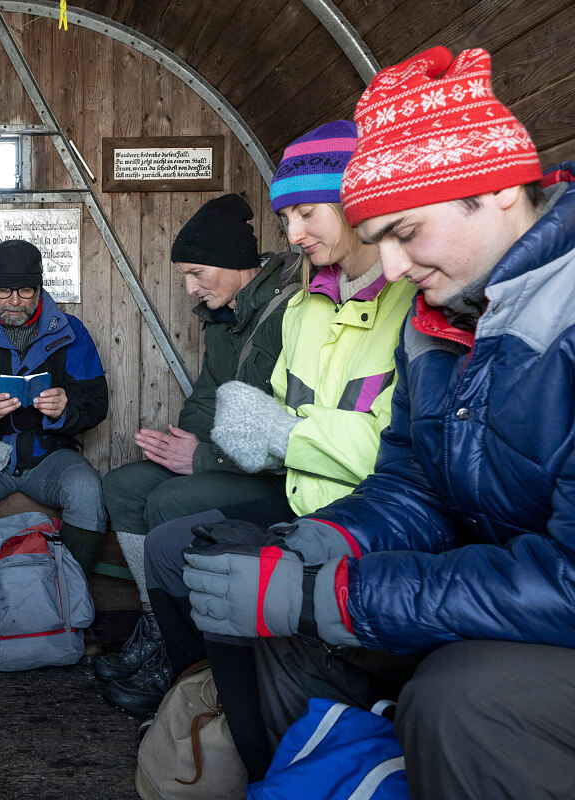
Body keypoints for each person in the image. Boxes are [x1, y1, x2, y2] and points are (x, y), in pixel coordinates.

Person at [181, 46, 575, 798]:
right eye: (379, 237)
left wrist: (336, 594)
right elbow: (413, 484)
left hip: (544, 607)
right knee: (282, 610)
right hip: (490, 584)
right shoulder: (439, 323)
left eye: (406, 231)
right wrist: (329, 541)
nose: (391, 269)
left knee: (461, 695)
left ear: (492, 190)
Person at [135, 120, 415, 766]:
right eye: (286, 216)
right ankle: (222, 714)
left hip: (372, 521)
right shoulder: (302, 311)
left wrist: (282, 434)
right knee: (186, 554)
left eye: (306, 213)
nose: (290, 236)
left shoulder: (409, 305)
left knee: (233, 580)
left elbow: (399, 450)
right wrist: (251, 431)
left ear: (358, 201)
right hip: (299, 508)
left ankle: (265, 753)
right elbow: (268, 423)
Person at [95, 193, 297, 702]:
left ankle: (184, 650)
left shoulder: (285, 317)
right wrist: (179, 446)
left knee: (166, 502)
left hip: (276, 479)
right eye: (186, 274)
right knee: (122, 486)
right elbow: (206, 402)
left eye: (198, 272)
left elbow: (286, 432)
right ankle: (156, 620)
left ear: (236, 264)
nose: (189, 286)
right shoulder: (223, 321)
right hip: (226, 462)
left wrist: (201, 460)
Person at [0, 239, 108, 664]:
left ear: (40, 288)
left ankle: (65, 612)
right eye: (3, 291)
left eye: (25, 291)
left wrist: (65, 408)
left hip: (47, 455)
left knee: (86, 489)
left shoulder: (69, 331)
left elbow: (97, 403)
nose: (14, 301)